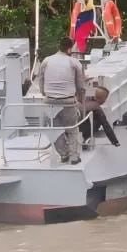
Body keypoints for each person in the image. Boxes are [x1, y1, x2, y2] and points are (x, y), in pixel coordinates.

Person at [38, 36, 86, 164]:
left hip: (49, 102)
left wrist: (45, 93)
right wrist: (80, 98)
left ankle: (63, 154)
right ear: (70, 49)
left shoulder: (46, 61)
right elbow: (80, 85)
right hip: (67, 101)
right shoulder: (74, 62)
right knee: (72, 129)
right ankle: (74, 157)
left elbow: (41, 80)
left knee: (55, 129)